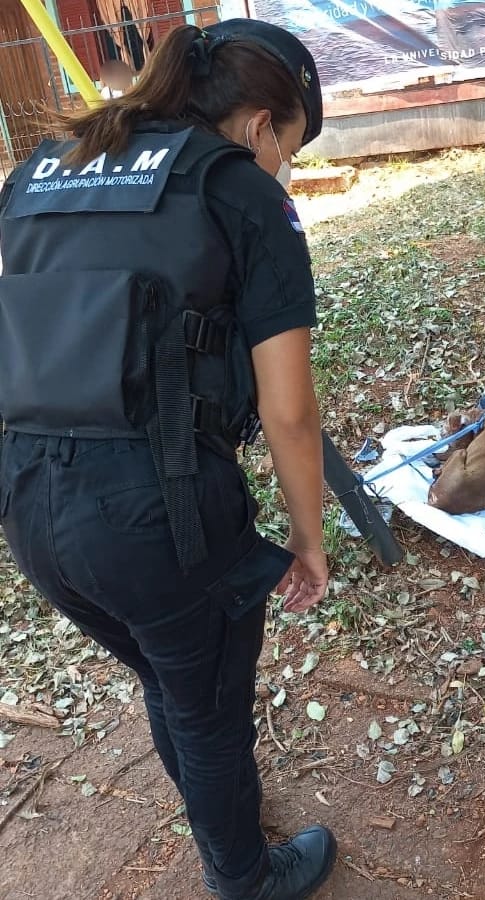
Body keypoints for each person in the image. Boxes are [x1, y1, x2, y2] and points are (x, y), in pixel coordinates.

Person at [0, 18, 336, 900]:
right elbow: (289, 411)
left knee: (169, 671)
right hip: (159, 522)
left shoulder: (43, 169)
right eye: (290, 148)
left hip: (28, 507)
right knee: (207, 701)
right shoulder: (241, 191)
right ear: (263, 124)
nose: (286, 169)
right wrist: (309, 540)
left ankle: (214, 812)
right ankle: (243, 877)